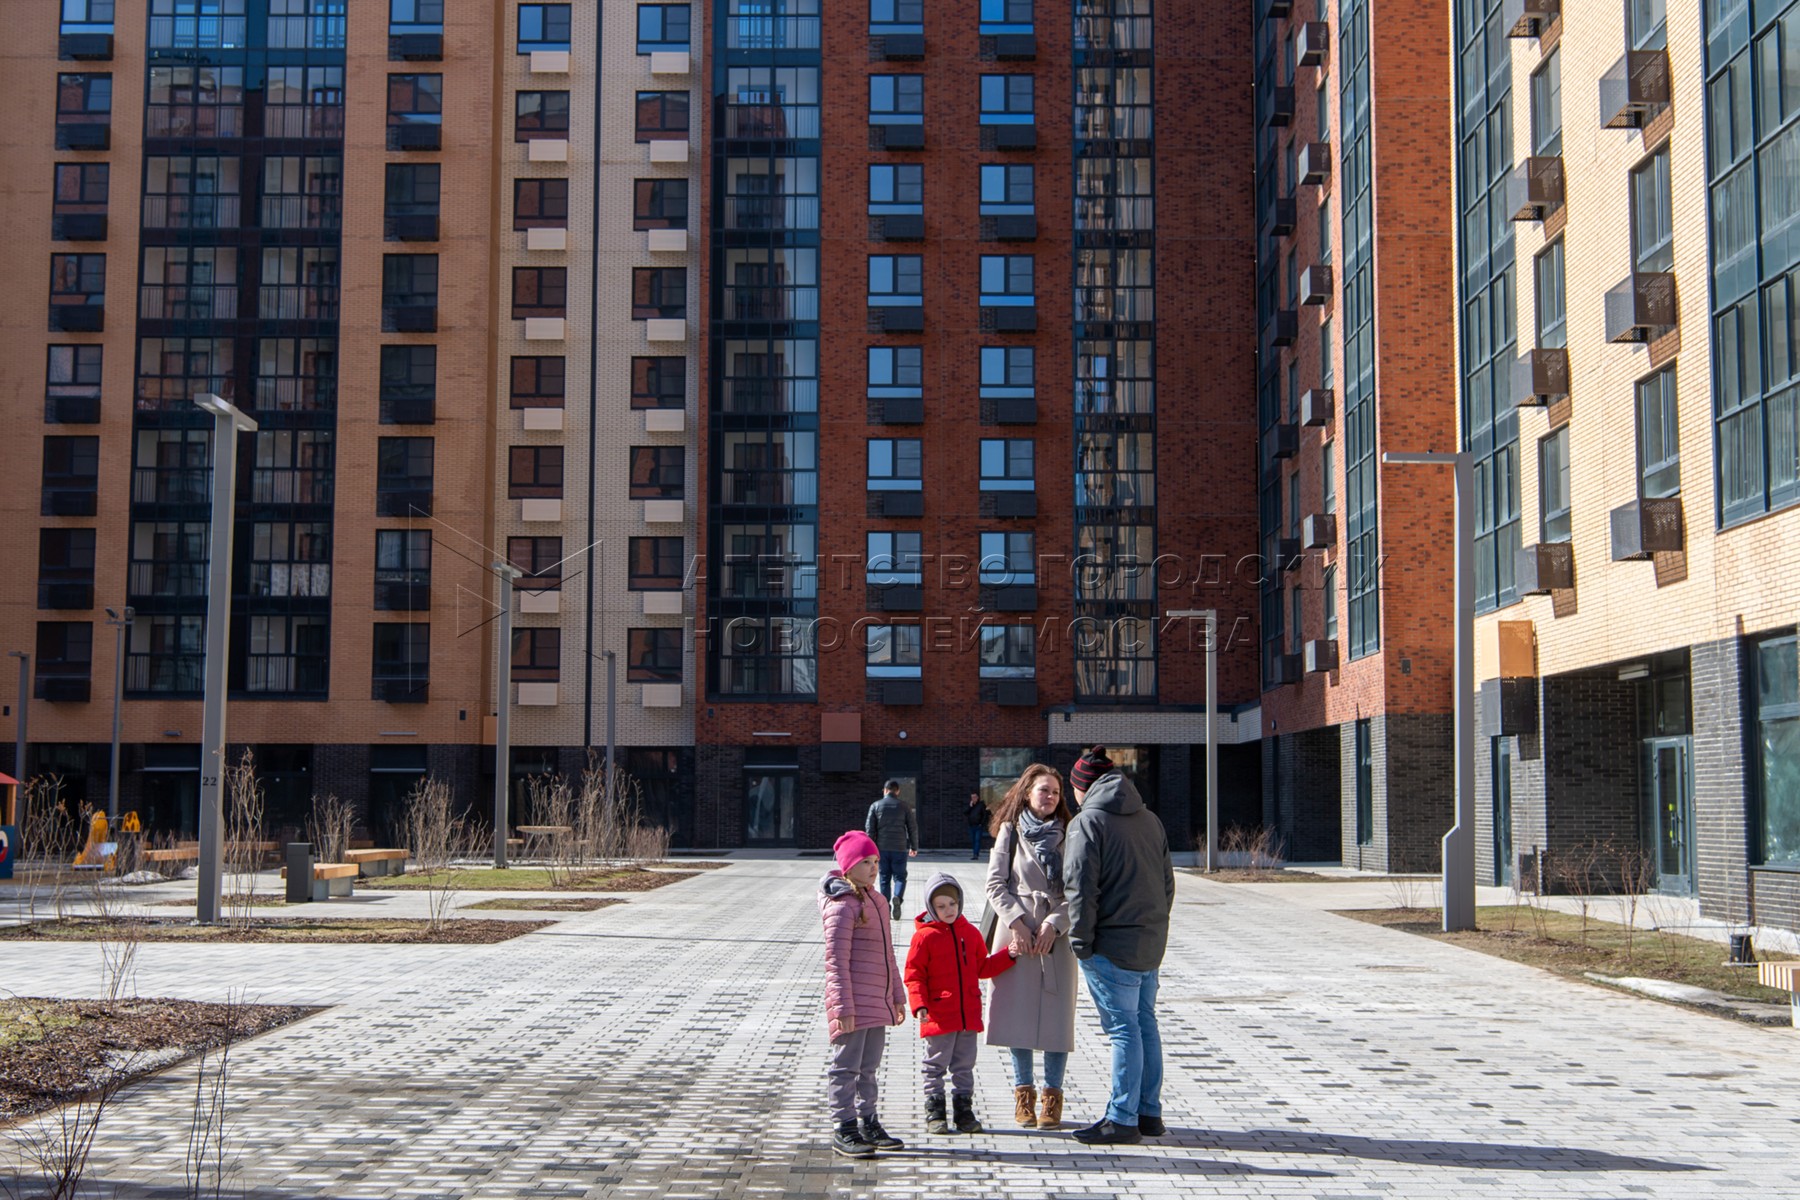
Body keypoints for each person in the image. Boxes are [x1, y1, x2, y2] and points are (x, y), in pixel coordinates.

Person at [1064, 746, 1175, 1146]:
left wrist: (1081, 943)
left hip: (1111, 946)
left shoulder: (1087, 823)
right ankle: (1149, 1113)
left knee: (1124, 1030)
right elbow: (1167, 884)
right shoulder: (1150, 819)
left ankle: (1122, 1118)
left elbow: (1079, 890)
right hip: (1149, 942)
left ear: (1082, 786)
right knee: (1145, 1023)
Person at [984, 763, 1078, 1130]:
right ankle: (1024, 1096)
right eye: (1044, 790)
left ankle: (1052, 1101)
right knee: (1016, 1017)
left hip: (1057, 937)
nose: (1050, 797)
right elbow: (995, 884)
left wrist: (1056, 924)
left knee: (1057, 1021)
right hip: (1017, 934)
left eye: (1055, 792)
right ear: (1027, 793)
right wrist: (1017, 925)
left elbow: (1079, 891)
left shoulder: (1071, 832)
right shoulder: (1009, 831)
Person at [903, 873, 1018, 1135]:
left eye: (952, 904)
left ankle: (964, 1111)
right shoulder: (924, 938)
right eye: (941, 906)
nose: (948, 911)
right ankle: (935, 1112)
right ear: (931, 907)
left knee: (964, 1066)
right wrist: (919, 1005)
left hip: (968, 1015)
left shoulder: (971, 933)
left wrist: (1008, 956)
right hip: (939, 1015)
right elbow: (914, 975)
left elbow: (982, 967)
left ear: (960, 902)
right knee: (934, 1065)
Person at [819, 830, 909, 1158]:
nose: (873, 868)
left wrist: (897, 996)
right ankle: (844, 1126)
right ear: (847, 867)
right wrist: (842, 1006)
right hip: (853, 1002)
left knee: (869, 1067)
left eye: (875, 861)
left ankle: (868, 1120)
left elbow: (888, 955)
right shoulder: (842, 906)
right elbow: (835, 961)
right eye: (865, 862)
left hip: (877, 999)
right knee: (846, 1067)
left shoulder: (877, 900)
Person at [864, 779, 918, 919]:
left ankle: (885, 906)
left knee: (884, 877)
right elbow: (912, 827)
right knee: (900, 876)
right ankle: (898, 898)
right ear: (897, 791)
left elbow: (870, 829)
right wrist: (914, 846)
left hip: (881, 848)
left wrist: (870, 849)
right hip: (899, 847)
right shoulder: (904, 806)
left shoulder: (875, 806)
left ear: (885, 790)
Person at [965, 792, 988, 860]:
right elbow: (965, 813)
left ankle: (976, 854)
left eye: (975, 797)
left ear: (978, 798)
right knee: (973, 840)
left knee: (977, 840)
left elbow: (985, 815)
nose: (973, 799)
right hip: (971, 825)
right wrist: (970, 806)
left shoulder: (981, 805)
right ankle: (975, 852)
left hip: (978, 826)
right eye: (972, 797)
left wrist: (981, 823)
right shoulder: (971, 806)